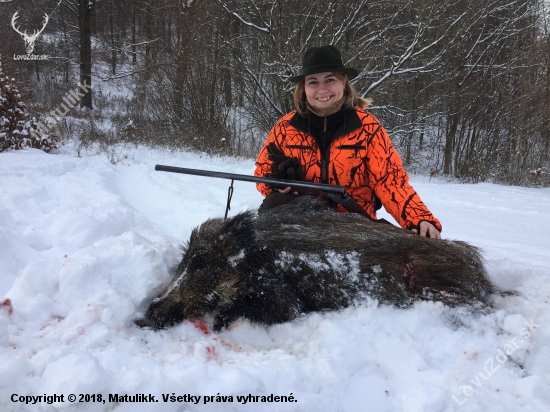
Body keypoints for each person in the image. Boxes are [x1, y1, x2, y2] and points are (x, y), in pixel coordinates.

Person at [254, 45, 442, 239]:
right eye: (313, 82)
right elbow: (261, 175)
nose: (322, 89)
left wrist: (420, 219)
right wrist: (277, 185)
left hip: (354, 231)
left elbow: (390, 181)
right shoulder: (285, 127)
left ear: (344, 81)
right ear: (303, 87)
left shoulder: (368, 128)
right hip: (303, 228)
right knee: (273, 207)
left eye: (330, 79)